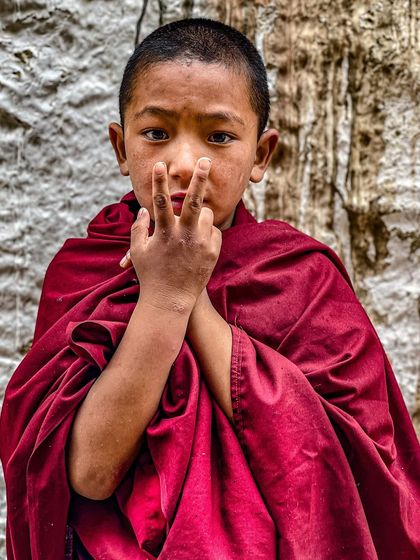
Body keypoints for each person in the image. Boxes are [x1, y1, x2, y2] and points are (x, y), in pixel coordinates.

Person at [0, 17, 419, 560]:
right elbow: (88, 472)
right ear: (120, 147)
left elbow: (345, 466)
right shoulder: (88, 270)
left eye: (219, 137)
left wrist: (186, 293)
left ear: (261, 155)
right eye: (156, 134)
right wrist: (162, 299)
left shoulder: (301, 281)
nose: (182, 164)